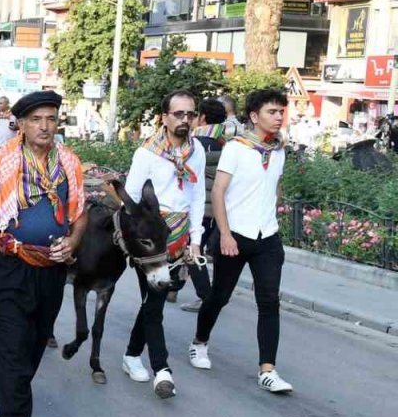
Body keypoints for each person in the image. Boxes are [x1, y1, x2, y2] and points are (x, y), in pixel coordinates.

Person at [0, 90, 87, 417]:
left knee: (33, 343)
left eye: (50, 118)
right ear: (20, 124)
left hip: (50, 270)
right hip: (7, 267)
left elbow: (79, 215)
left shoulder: (69, 164)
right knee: (10, 344)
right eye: (36, 119)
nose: (44, 126)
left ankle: (14, 391)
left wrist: (73, 243)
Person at [189, 89, 294, 395]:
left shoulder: (278, 150)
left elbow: (275, 189)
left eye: (280, 113)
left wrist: (270, 218)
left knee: (269, 302)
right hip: (234, 236)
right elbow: (219, 191)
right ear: (254, 116)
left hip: (267, 238)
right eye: (272, 112)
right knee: (219, 296)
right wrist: (224, 234)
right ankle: (199, 343)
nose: (277, 118)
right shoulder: (236, 148)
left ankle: (268, 370)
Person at [117, 91, 206, 398]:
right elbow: (130, 200)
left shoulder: (197, 152)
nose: (185, 120)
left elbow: (197, 196)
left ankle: (131, 354)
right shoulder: (147, 154)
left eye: (190, 114)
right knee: (155, 304)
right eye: (179, 114)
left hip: (181, 237)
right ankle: (162, 371)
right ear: (164, 117)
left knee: (152, 303)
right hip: (152, 239)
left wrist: (196, 240)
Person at [179, 98, 227, 312]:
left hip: (195, 207)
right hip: (217, 209)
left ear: (203, 118)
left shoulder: (193, 144)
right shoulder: (227, 144)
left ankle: (206, 297)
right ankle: (174, 285)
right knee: (192, 250)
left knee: (191, 251)